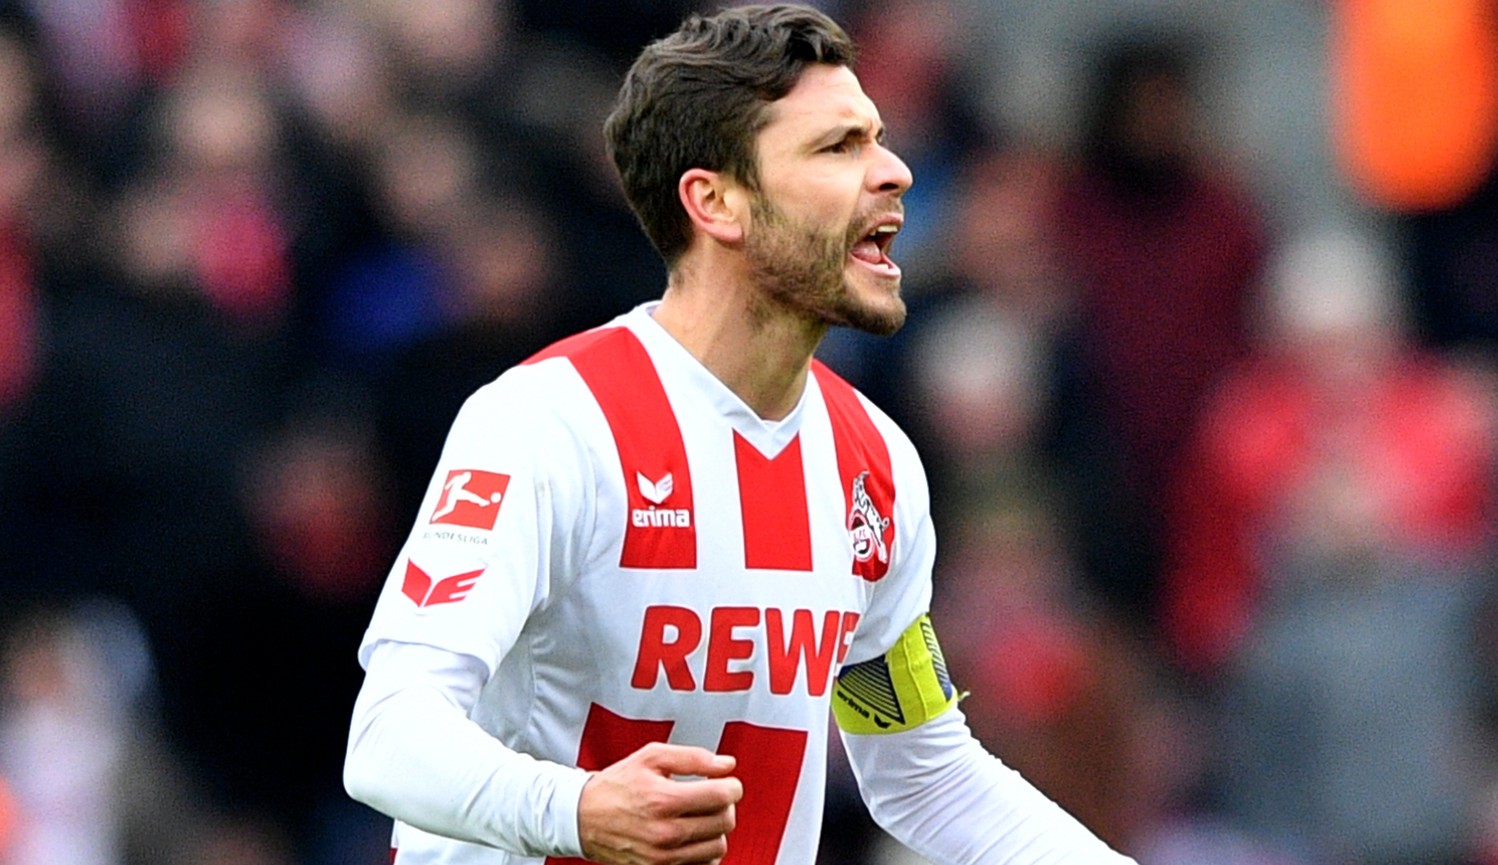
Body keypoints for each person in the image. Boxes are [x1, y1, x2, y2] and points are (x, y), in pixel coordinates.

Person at [342, 6, 1139, 864]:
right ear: (715, 201)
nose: (896, 172)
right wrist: (574, 809)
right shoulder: (547, 424)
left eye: (877, 140)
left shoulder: (873, 466)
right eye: (838, 149)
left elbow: (922, 770)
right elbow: (390, 737)